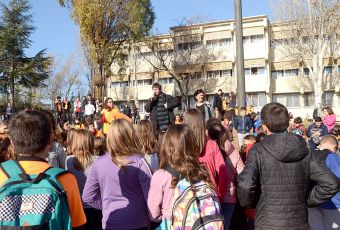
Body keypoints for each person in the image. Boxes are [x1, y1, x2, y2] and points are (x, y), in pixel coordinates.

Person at [237, 102, 340, 230]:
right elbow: (331, 183)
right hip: (292, 222)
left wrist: (307, 199)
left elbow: (245, 186)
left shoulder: (258, 150)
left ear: (264, 126)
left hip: (269, 222)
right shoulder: (303, 148)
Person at [1, 110, 86, 228]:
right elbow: (77, 224)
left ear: (12, 142)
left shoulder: (2, 173)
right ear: (50, 140)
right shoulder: (65, 179)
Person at [82, 119, 152, 230]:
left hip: (111, 221)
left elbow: (87, 197)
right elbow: (149, 196)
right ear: (131, 136)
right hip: (137, 220)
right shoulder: (139, 161)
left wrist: (106, 205)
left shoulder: (99, 162)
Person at [147, 124, 216, 229]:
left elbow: (153, 212)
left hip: (170, 224)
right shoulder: (201, 171)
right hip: (198, 222)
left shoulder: (161, 175)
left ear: (166, 146)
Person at [183, 109, 228, 200]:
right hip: (210, 199)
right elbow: (223, 174)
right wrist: (219, 196)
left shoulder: (182, 146)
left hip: (188, 199)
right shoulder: (211, 144)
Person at [207, 122, 244, 230]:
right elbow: (242, 175)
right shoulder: (234, 151)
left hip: (210, 197)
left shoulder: (207, 151)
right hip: (230, 198)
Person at [65, 129, 102, 230]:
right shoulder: (99, 160)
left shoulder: (69, 160)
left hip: (77, 207)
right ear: (91, 142)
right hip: (96, 206)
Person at [308, 135, 340, 230]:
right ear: (334, 147)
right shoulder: (333, 158)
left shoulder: (308, 155)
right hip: (332, 204)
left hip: (311, 202)